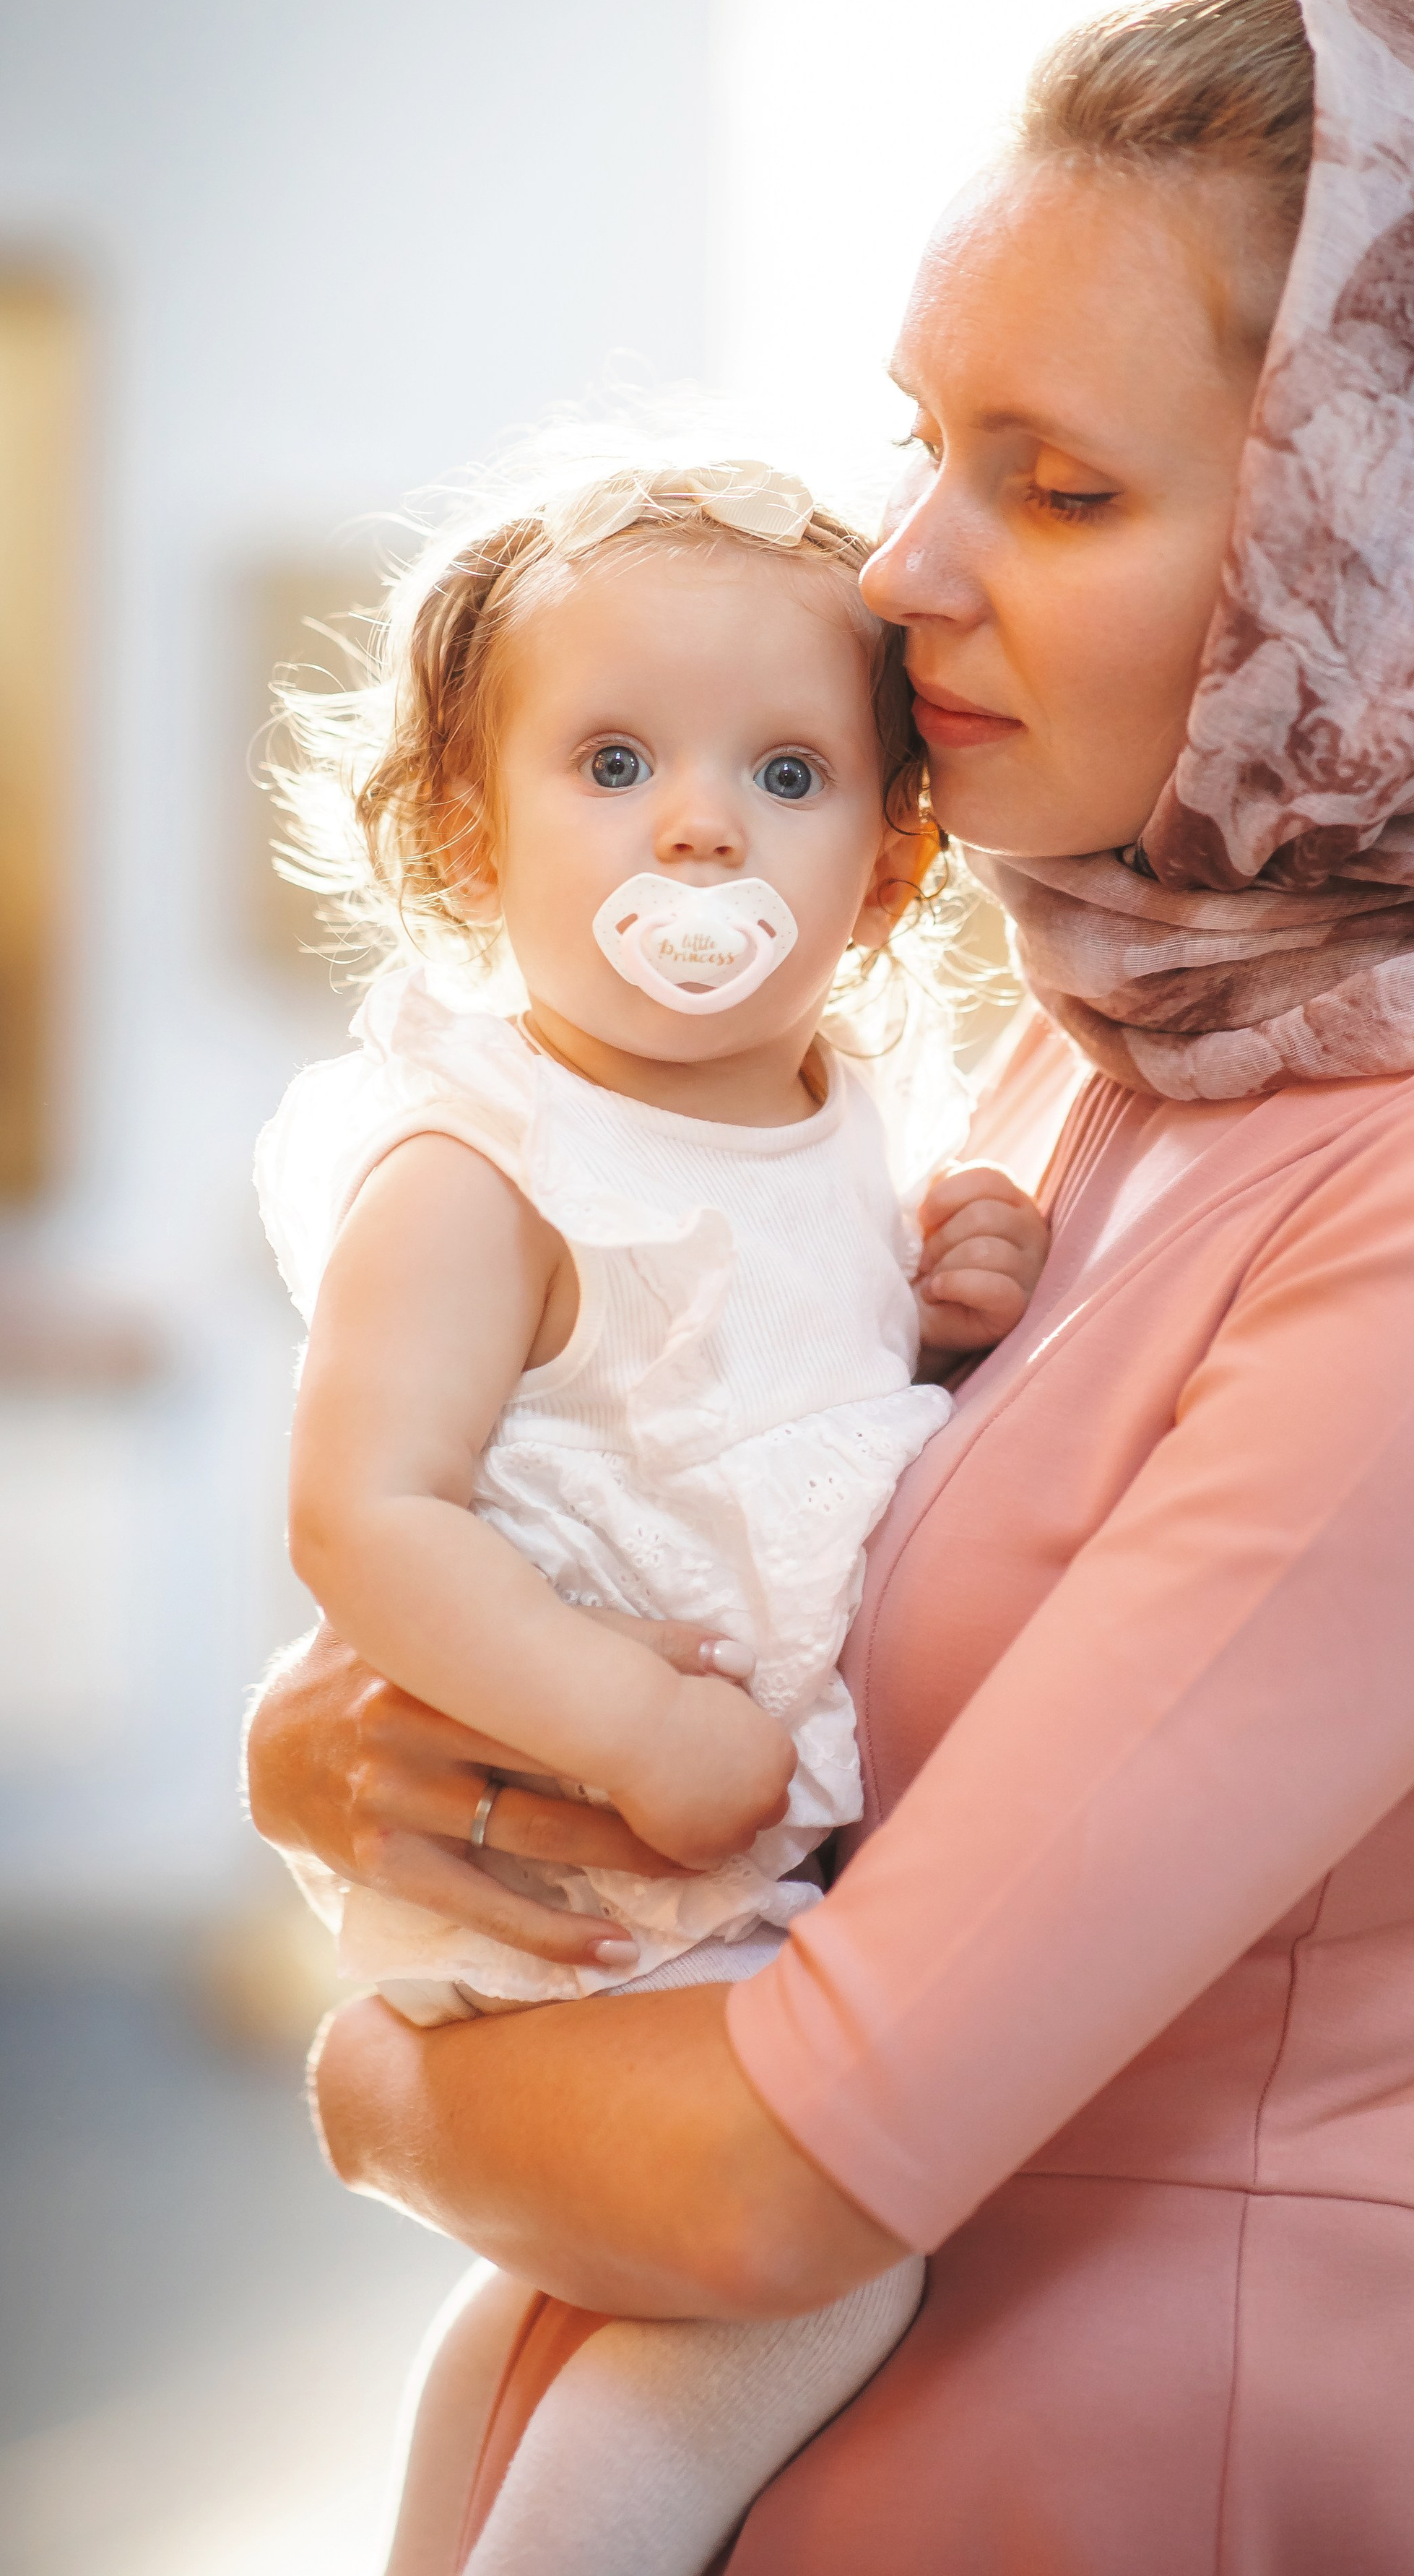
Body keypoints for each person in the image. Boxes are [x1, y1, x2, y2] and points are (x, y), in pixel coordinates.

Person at [246, 0, 1414, 2574]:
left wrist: (375, 2086)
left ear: (1400, 580)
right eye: (923, 447)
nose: (899, 574)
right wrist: (336, 1750)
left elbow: (781, 2178)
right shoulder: (1120, 1042)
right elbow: (729, 1535)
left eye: (1059, 487)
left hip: (1105, 2466)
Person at [253, 452, 1049, 2573]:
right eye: (613, 760)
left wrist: (936, 1290)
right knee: (823, 2276)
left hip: (734, 1866)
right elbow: (366, 1514)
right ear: (465, 829)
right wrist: (630, 1725)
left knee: (555, 2288)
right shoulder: (476, 1167)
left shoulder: (844, 1128)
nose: (699, 822)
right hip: (579, 1872)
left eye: (786, 772)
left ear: (885, 870)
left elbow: (805, 1416)